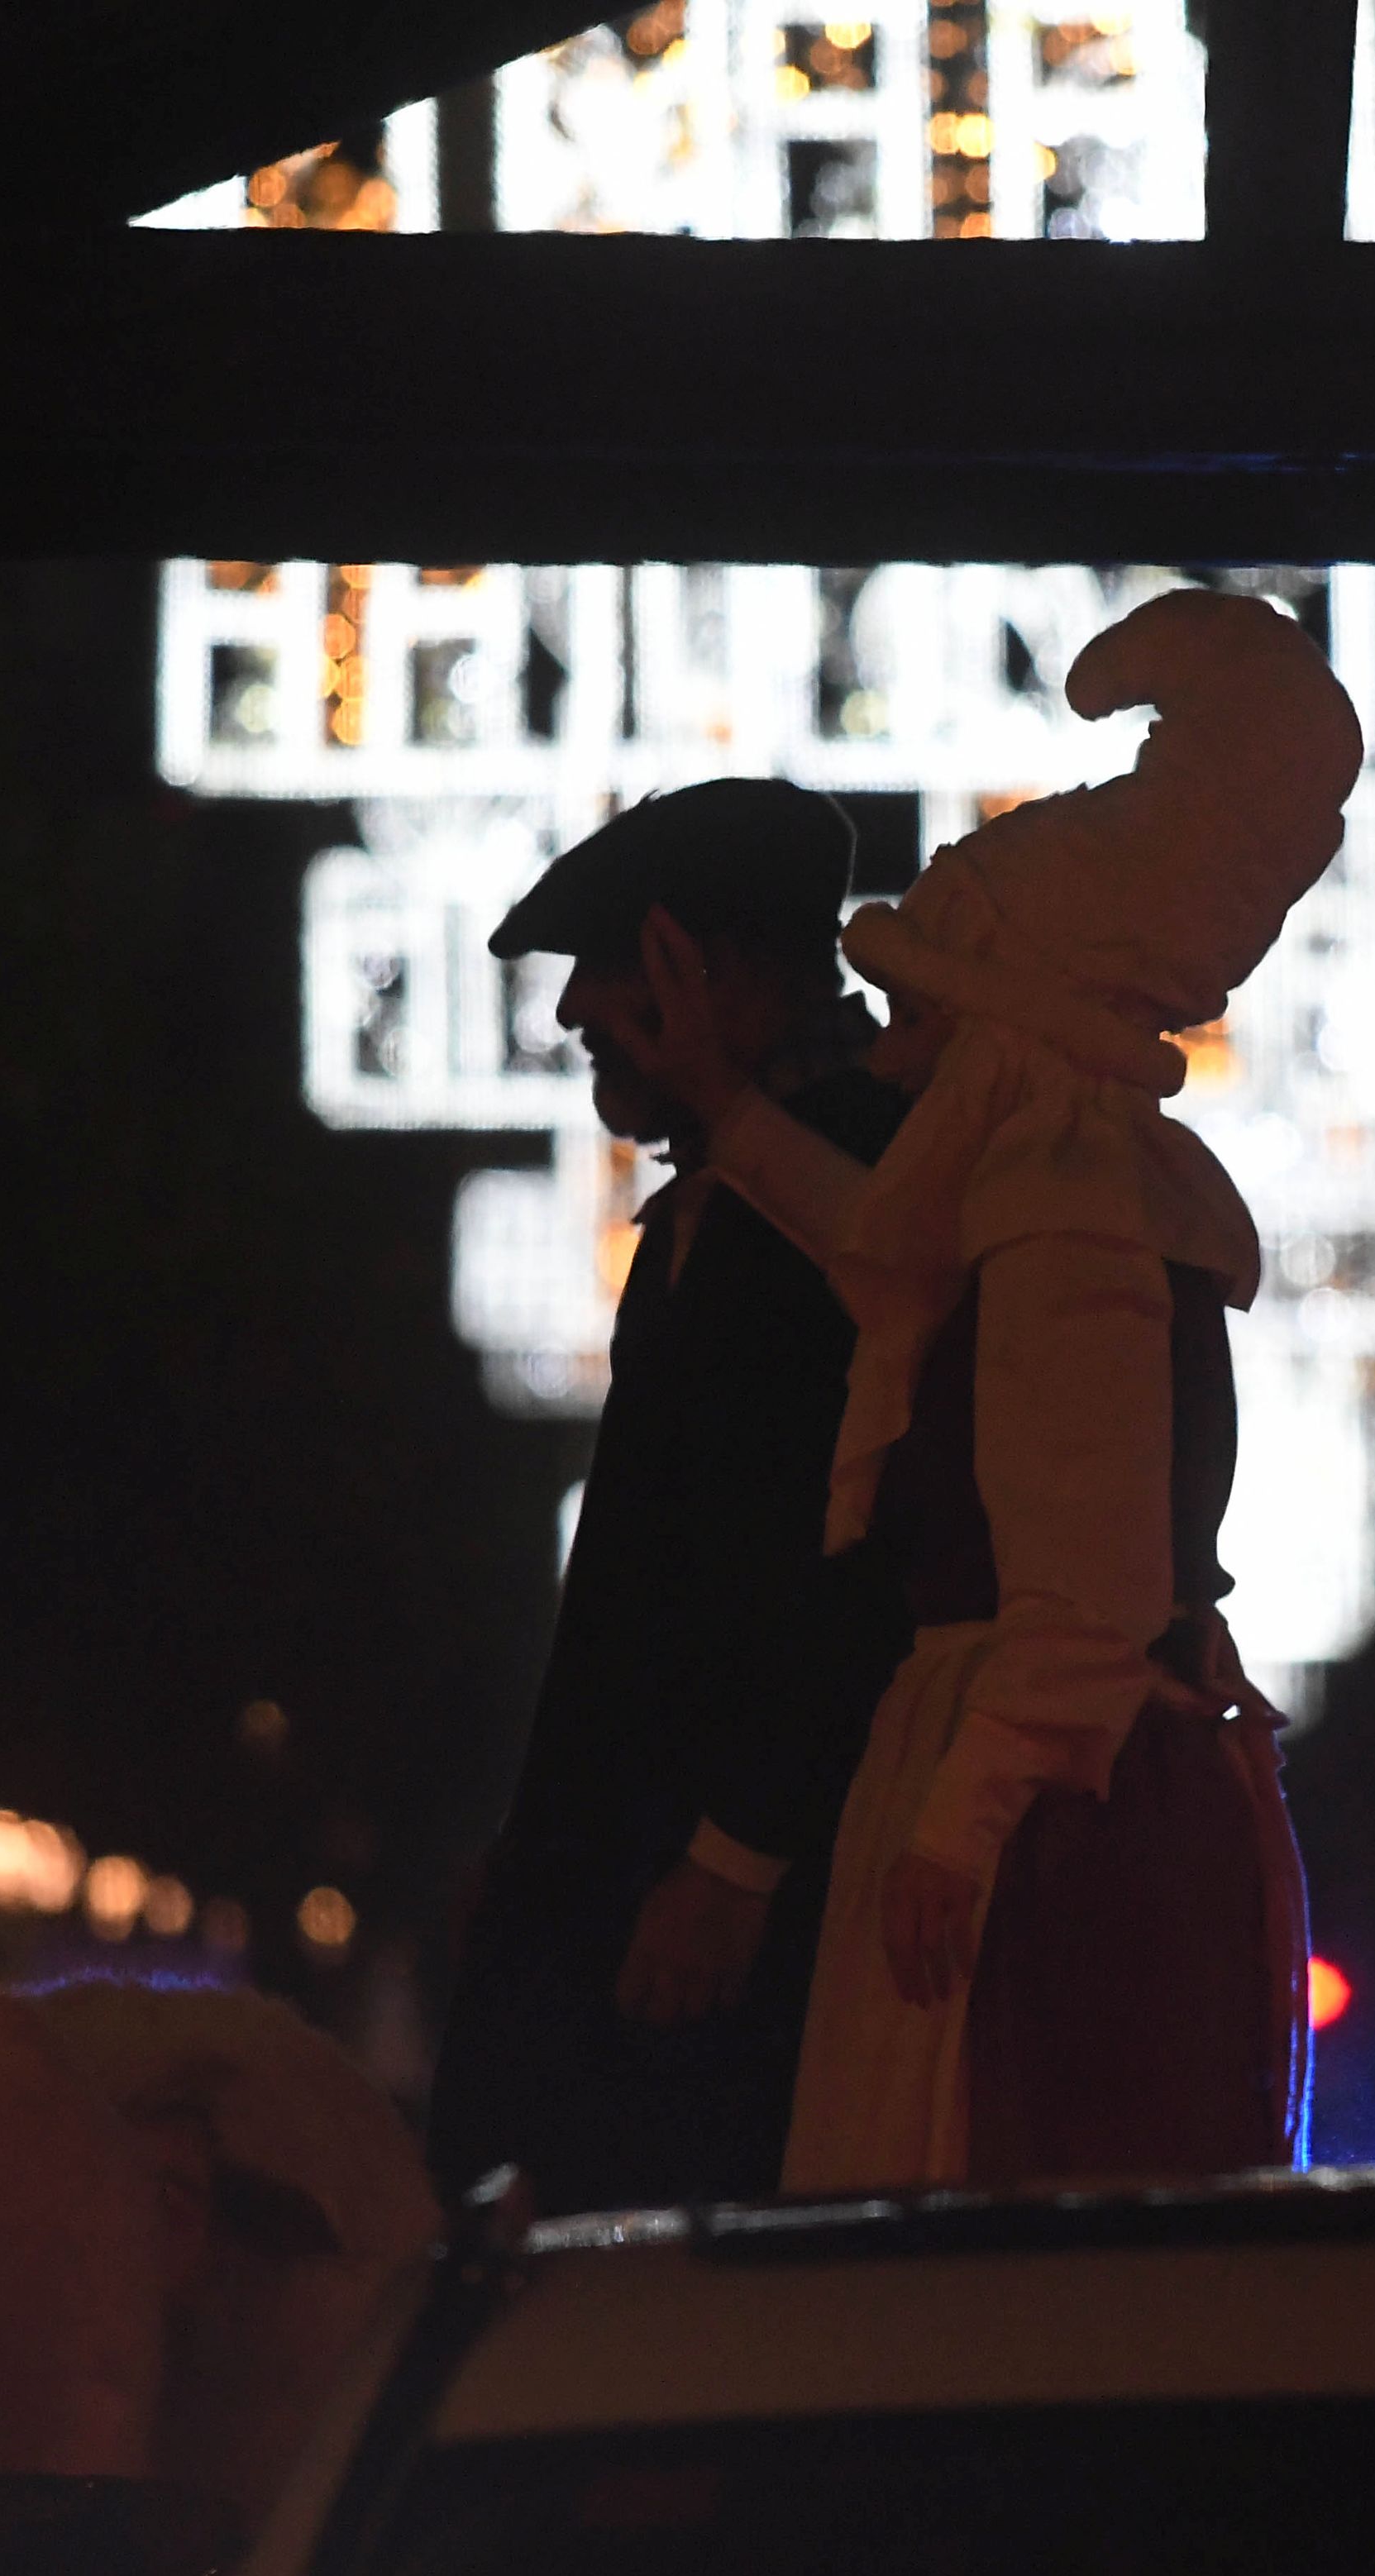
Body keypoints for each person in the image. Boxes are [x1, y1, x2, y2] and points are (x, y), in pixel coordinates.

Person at [606, 589, 1361, 2188]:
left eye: (923, 1003)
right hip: (1046, 1782)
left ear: (1010, 1024)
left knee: (998, 2208)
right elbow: (888, 1247)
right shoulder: (1046, 1196)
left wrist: (957, 1826)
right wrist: (731, 1113)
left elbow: (1083, 1587)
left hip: (1052, 1820)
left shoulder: (1068, 1218)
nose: (892, 1051)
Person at [423, 780, 911, 2214]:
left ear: (724, 976)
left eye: (616, 969)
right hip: (649, 1876)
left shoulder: (854, 1183)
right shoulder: (738, 1187)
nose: (577, 1013)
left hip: (713, 1910)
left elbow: (853, 1547)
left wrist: (734, 1857)